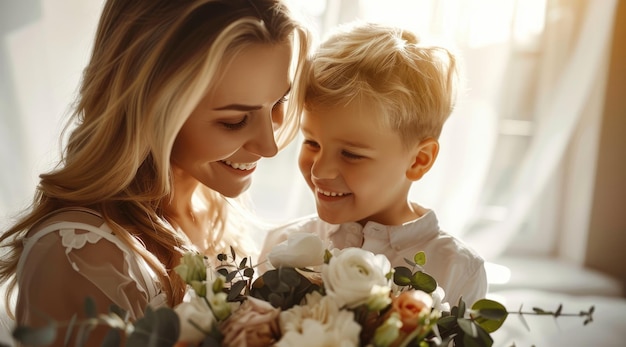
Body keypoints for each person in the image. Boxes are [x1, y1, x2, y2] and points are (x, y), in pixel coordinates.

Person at [0, 0, 310, 345]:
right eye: (233, 121)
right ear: (149, 106)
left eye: (280, 101)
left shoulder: (215, 206)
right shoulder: (80, 258)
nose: (269, 146)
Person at [260, 21, 488, 306]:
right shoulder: (283, 244)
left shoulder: (458, 270)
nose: (320, 170)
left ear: (419, 160)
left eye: (351, 154)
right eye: (312, 143)